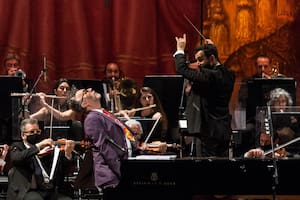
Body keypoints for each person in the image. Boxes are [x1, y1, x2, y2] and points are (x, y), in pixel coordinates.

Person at [174, 34, 235, 157]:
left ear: (211, 59)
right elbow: (218, 68)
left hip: (208, 133)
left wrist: (180, 50)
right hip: (224, 131)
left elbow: (182, 69)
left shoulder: (208, 76)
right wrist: (212, 48)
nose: (198, 64)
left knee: (205, 171)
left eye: (200, 59)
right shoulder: (229, 74)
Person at [69, 88, 134, 196]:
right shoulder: (92, 118)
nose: (90, 89)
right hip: (113, 176)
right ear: (84, 103)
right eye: (85, 92)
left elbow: (126, 137)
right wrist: (123, 172)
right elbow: (105, 148)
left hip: (123, 169)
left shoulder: (104, 113)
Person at [6, 118, 75, 200]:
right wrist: (38, 147)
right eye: (32, 132)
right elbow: (17, 158)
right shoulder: (17, 146)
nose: (35, 134)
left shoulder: (46, 148)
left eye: (38, 131)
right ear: (23, 135)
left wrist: (68, 154)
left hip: (48, 189)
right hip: (28, 190)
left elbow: (61, 168)